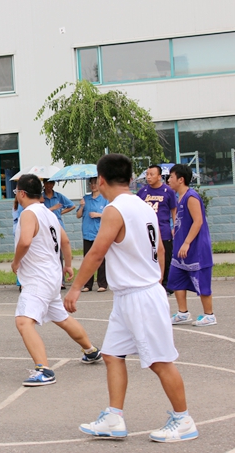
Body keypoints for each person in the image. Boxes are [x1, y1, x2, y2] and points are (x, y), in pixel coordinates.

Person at [64, 154, 197, 443]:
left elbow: (96, 252)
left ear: (101, 179)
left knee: (160, 360)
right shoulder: (143, 205)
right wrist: (156, 280)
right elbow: (160, 250)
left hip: (140, 296)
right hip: (131, 294)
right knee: (112, 354)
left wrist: (75, 288)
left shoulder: (115, 210)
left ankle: (183, 420)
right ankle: (114, 418)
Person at [11, 174, 101, 387]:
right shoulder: (48, 213)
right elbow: (65, 240)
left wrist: (16, 262)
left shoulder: (29, 213)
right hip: (52, 275)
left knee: (23, 321)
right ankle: (90, 350)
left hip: (38, 278)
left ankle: (44, 370)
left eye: (16, 192)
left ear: (22, 193)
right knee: (62, 318)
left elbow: (25, 241)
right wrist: (67, 264)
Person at [167, 164, 215, 326]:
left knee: (201, 281)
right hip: (180, 248)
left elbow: (198, 221)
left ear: (181, 179)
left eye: (171, 177)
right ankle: (183, 313)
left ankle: (209, 315)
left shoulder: (191, 196)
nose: (169, 180)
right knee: (176, 278)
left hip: (196, 248)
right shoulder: (179, 197)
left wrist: (187, 242)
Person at [137, 164, 177, 293]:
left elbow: (174, 210)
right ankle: (150, 284)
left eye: (152, 174)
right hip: (146, 231)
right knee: (148, 258)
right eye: (147, 174)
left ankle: (166, 285)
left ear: (159, 176)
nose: (148, 177)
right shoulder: (142, 192)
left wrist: (175, 227)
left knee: (165, 258)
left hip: (163, 230)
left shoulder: (168, 191)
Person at [76, 177, 109, 292]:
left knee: (100, 259)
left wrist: (98, 215)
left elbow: (109, 215)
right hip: (87, 233)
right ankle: (87, 284)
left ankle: (102, 284)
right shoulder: (85, 199)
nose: (93, 185)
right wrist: (81, 206)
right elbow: (78, 215)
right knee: (87, 260)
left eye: (95, 183)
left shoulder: (104, 199)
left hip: (99, 233)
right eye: (91, 183)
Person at [42, 180, 75, 289]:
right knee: (48, 254)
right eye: (47, 183)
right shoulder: (41, 198)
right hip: (46, 227)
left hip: (58, 226)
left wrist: (60, 212)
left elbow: (72, 205)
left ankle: (61, 281)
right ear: (44, 184)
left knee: (59, 254)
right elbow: (40, 212)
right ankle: (49, 280)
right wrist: (53, 208)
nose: (49, 186)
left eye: (51, 183)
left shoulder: (58, 196)